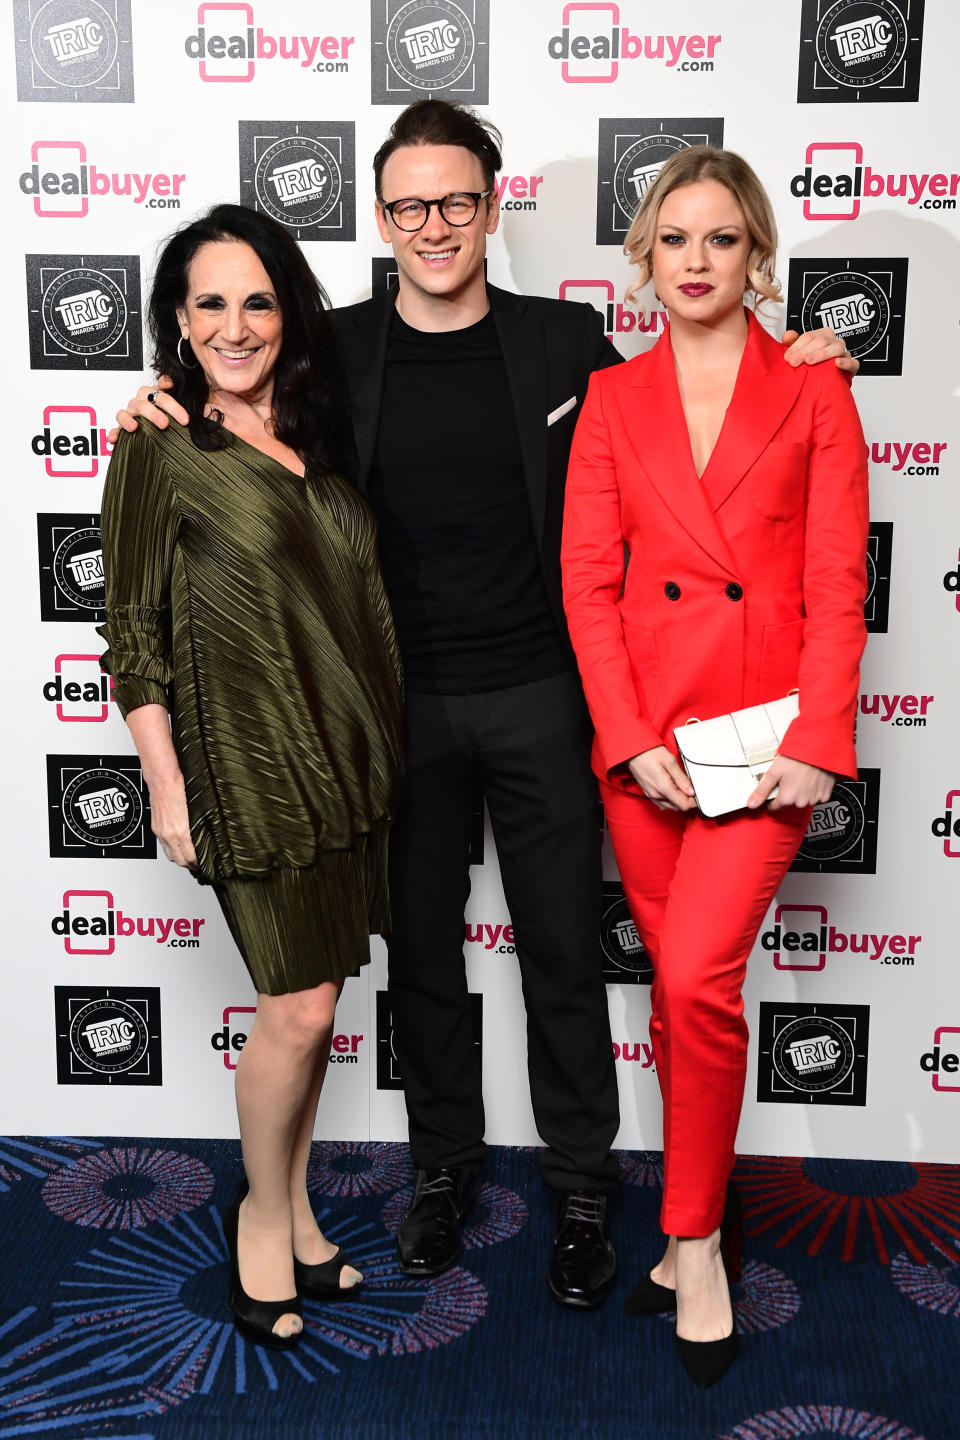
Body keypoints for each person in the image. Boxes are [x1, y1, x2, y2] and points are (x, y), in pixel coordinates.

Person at [114, 102, 856, 1310]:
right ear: (383, 218)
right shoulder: (331, 356)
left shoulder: (568, 345)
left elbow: (699, 407)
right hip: (396, 711)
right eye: (409, 206)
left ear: (493, 203)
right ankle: (443, 1172)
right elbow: (228, 417)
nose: (435, 226)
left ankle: (578, 1186)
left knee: (565, 952)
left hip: (549, 697)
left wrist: (808, 355)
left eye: (457, 201)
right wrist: (155, 401)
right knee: (426, 962)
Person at [561, 145, 868, 1383]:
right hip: (651, 755)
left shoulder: (813, 389)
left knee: (694, 981)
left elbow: (840, 582)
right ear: (645, 257)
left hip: (764, 748)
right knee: (688, 1003)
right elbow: (589, 585)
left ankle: (693, 1241)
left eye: (723, 238)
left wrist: (818, 743)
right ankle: (692, 1234)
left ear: (757, 254)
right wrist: (630, 741)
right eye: (675, 239)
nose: (698, 261)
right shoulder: (611, 399)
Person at [99, 204, 404, 1349]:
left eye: (258, 300)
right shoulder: (158, 446)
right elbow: (129, 629)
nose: (236, 325)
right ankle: (263, 1223)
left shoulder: (323, 428)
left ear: (290, 310)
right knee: (297, 1007)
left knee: (319, 1010)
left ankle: (298, 1207)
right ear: (178, 319)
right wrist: (166, 785)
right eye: (210, 302)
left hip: (350, 765)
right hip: (245, 767)